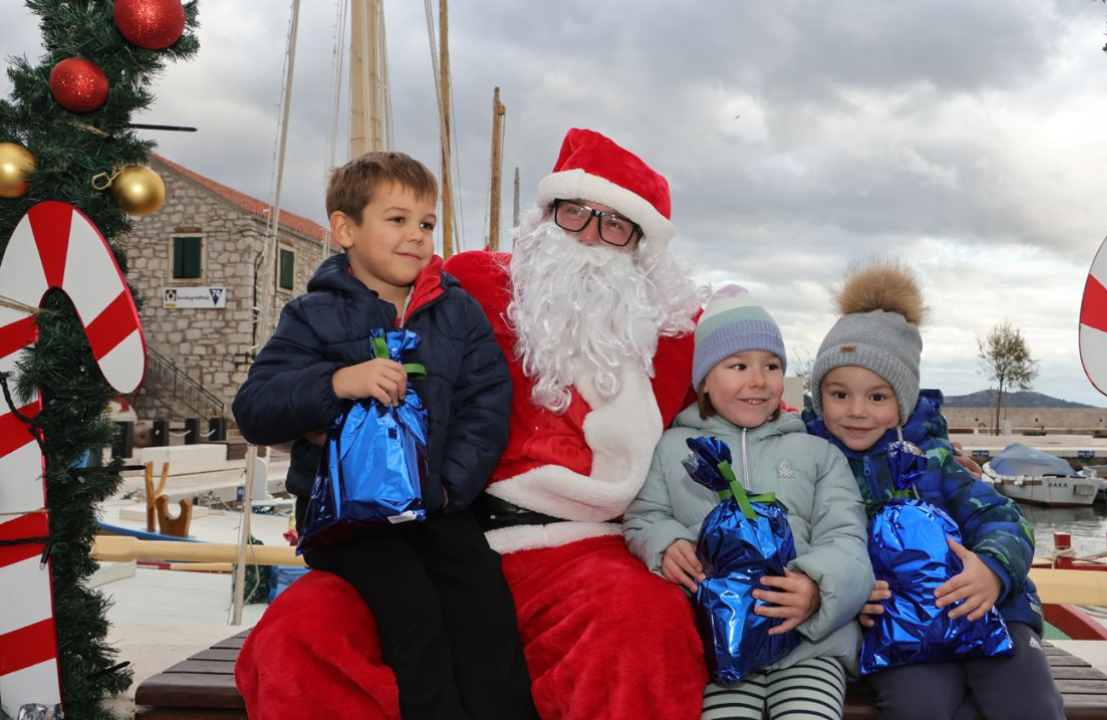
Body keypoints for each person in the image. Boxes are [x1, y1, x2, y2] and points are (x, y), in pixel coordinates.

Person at [231, 151, 537, 720]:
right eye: (397, 219)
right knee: (412, 608)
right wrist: (335, 383)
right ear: (346, 228)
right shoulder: (311, 316)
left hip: (436, 509)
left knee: (484, 601)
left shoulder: (458, 313)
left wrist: (448, 491)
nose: (416, 236)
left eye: (425, 223)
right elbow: (256, 410)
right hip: (346, 520)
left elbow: (486, 407)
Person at [440, 128, 711, 719]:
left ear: (639, 246)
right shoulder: (478, 284)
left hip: (590, 550)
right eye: (576, 213)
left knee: (644, 624)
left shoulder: (675, 337)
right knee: (306, 628)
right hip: (454, 538)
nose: (590, 236)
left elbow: (761, 415)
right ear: (546, 215)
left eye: (615, 224)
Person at [805, 262, 1065, 720]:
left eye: (878, 397)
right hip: (901, 627)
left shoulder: (938, 463)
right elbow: (815, 546)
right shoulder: (814, 465)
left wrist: (991, 570)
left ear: (902, 403)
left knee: (1027, 695)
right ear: (818, 395)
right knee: (916, 702)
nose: (857, 411)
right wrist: (849, 595)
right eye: (839, 394)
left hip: (988, 605)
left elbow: (1006, 520)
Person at [624, 285, 873, 720]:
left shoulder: (819, 454)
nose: (758, 380)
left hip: (808, 647)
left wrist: (817, 589)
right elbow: (644, 517)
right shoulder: (670, 450)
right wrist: (664, 543)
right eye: (738, 365)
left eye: (772, 365)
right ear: (703, 380)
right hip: (719, 650)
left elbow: (848, 538)